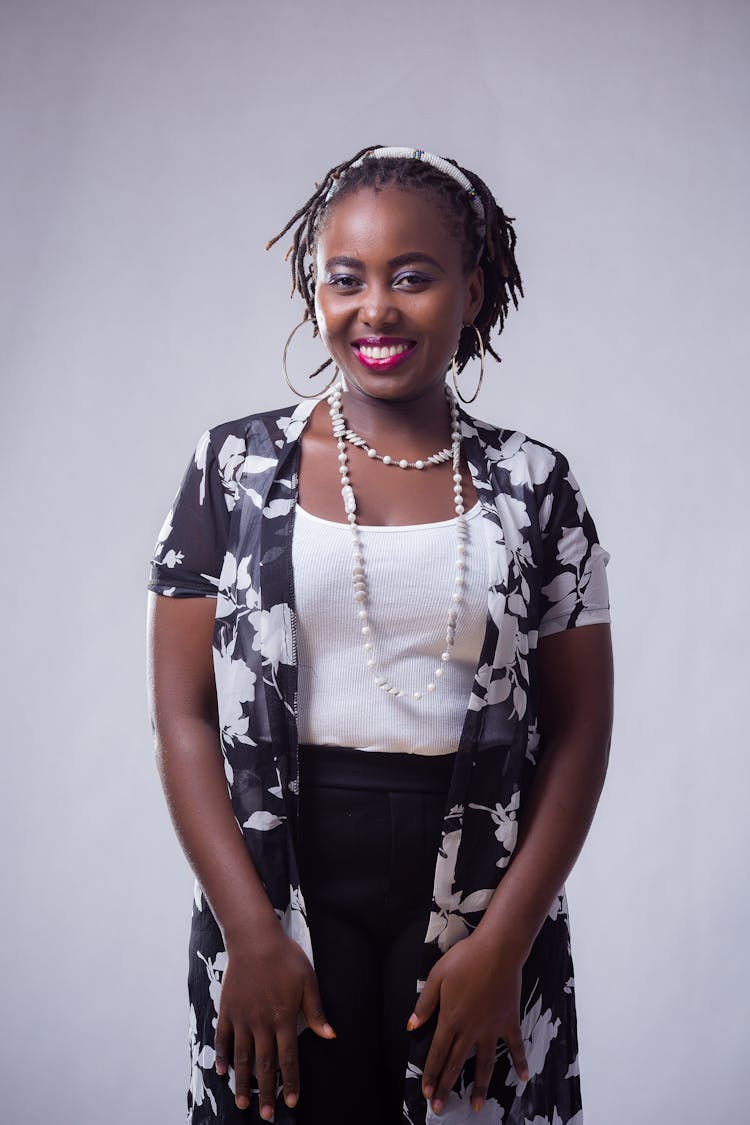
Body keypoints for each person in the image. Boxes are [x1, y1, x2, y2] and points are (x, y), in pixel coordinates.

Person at [146, 145, 613, 1125]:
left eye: (414, 276)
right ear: (314, 290)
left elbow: (579, 734)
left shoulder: (540, 486)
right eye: (345, 278)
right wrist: (249, 932)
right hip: (280, 874)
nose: (377, 308)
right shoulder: (229, 468)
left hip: (480, 882)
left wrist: (506, 944)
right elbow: (185, 717)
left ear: (472, 290)